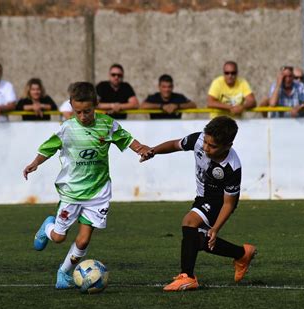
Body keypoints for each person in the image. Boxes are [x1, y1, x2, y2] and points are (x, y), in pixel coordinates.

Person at [23, 82, 151, 290]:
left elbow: (126, 140)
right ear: (72, 107)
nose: (83, 116)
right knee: (58, 238)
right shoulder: (67, 128)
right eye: (78, 111)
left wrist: (141, 150)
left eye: (88, 111)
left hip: (99, 192)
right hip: (72, 192)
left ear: (96, 105)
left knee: (82, 242)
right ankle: (48, 226)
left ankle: (62, 273)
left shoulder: (107, 124)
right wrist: (34, 163)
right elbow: (49, 148)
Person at [140, 116, 256, 291]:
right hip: (202, 196)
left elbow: (229, 204)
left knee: (189, 222)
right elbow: (175, 145)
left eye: (213, 146)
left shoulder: (231, 167)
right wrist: (153, 151)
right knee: (199, 241)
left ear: (228, 146)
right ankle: (242, 254)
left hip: (218, 202)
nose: (206, 148)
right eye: (206, 143)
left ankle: (188, 277)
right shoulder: (199, 139)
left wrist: (216, 228)